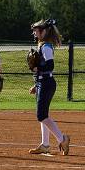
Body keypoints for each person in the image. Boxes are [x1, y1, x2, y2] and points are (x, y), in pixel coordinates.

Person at [28, 19, 70, 156]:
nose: (34, 32)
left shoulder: (46, 47)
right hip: (42, 83)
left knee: (41, 115)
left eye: (36, 30)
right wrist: (36, 85)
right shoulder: (42, 45)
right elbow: (43, 69)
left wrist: (37, 67)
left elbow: (50, 66)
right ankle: (45, 145)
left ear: (43, 31)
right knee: (43, 115)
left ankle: (62, 139)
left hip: (47, 83)